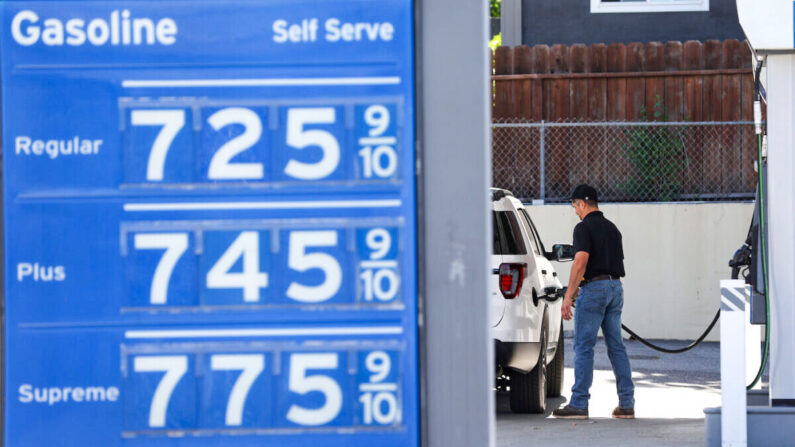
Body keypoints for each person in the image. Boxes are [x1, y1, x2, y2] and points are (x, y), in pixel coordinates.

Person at [552, 184, 635, 420]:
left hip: (595, 290)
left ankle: (579, 404)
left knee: (583, 347)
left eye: (574, 206)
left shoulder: (583, 228)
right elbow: (604, 262)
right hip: (615, 288)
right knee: (616, 346)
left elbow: (581, 262)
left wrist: (569, 295)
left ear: (582, 203)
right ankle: (627, 404)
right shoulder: (612, 229)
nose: (575, 211)